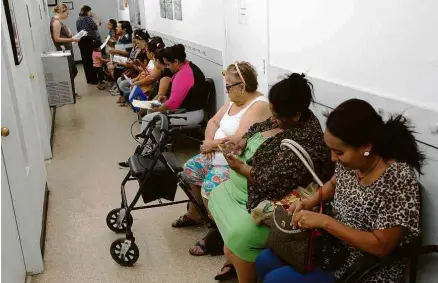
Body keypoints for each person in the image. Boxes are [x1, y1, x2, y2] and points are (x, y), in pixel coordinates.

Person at [255, 99, 424, 283]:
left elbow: (381, 247)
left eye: (339, 152)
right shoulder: (352, 163)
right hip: (333, 248)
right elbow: (335, 184)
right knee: (264, 261)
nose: (333, 158)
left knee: (275, 280)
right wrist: (308, 202)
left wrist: (324, 222)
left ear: (366, 146)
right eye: (331, 150)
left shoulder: (397, 179)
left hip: (363, 269)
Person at [208, 74, 334, 283]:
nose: (272, 119)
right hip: (247, 192)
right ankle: (234, 260)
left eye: (276, 116)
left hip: (271, 199)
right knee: (217, 194)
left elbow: (271, 183)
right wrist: (243, 141)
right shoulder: (291, 116)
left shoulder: (303, 140)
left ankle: (243, 268)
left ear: (295, 116)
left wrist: (241, 167)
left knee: (241, 234)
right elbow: (260, 126)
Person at [172, 62, 272, 255]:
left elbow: (239, 139)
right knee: (189, 169)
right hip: (215, 153)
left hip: (233, 162)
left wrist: (212, 146)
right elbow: (213, 121)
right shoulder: (234, 99)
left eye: (228, 86)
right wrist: (208, 140)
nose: (226, 91)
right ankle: (195, 215)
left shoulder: (258, 106)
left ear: (242, 87)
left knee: (210, 188)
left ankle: (217, 231)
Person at [140, 44, 208, 130]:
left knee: (148, 119)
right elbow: (182, 97)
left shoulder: (184, 74)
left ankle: (150, 143)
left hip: (191, 115)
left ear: (176, 61)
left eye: (168, 64)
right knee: (151, 114)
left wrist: (158, 108)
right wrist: (165, 99)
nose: (167, 67)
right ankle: (155, 143)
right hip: (189, 111)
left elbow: (173, 103)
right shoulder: (188, 68)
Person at [50, 3, 81, 99]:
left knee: (73, 71)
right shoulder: (56, 23)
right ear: (61, 11)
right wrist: (72, 39)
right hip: (64, 51)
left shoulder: (58, 21)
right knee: (70, 72)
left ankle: (71, 92)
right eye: (67, 13)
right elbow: (57, 39)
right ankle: (71, 94)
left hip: (67, 49)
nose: (67, 15)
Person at [76, 5, 100, 85]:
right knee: (91, 60)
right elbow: (95, 27)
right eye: (90, 11)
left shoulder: (78, 19)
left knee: (85, 61)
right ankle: (94, 80)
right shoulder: (88, 18)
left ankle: (89, 79)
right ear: (87, 11)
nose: (90, 13)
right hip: (89, 41)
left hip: (81, 41)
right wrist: (95, 19)